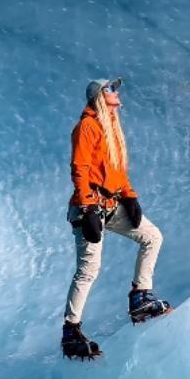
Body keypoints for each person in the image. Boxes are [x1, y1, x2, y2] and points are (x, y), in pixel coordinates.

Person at [61, 78, 170, 360]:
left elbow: (117, 173)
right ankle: (71, 331)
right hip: (90, 210)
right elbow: (80, 169)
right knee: (88, 270)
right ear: (100, 96)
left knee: (152, 236)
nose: (116, 92)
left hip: (112, 205)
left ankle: (140, 298)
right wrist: (87, 209)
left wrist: (130, 197)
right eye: (111, 88)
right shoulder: (87, 126)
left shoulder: (112, 127)